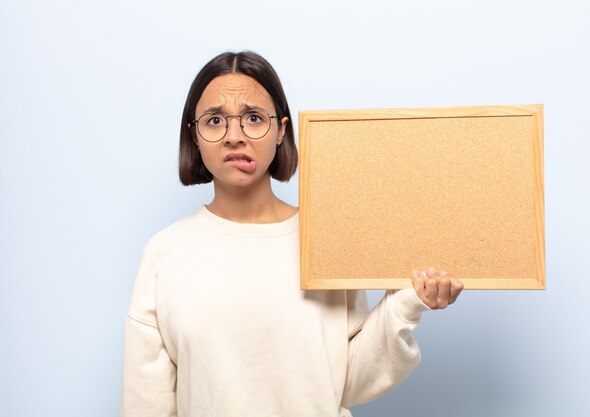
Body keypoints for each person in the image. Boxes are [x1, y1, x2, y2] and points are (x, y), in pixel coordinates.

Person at [121, 50, 464, 417]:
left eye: (253, 118)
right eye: (215, 120)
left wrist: (408, 302)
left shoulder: (327, 238)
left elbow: (351, 380)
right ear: (195, 134)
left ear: (281, 129)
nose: (234, 136)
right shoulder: (166, 253)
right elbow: (147, 404)